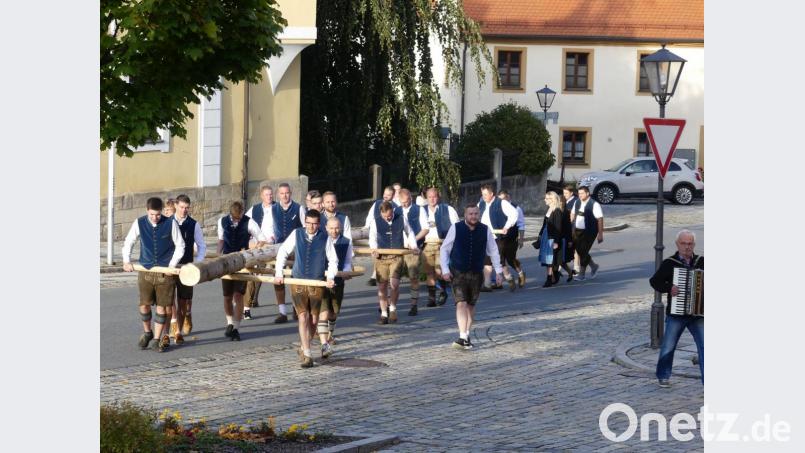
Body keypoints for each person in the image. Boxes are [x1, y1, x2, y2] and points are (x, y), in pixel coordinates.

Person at [274, 210, 338, 368]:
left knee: (314, 320)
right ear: (305, 222)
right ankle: (308, 354)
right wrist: (278, 272)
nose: (311, 226)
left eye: (315, 223)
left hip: (316, 284)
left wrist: (330, 277)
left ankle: (304, 347)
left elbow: (333, 260)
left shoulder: (325, 238)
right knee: (303, 316)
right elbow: (283, 251)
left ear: (319, 224)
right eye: (309, 223)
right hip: (298, 282)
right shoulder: (297, 234)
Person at [122, 197, 185, 352]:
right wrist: (126, 260)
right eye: (151, 215)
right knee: (144, 305)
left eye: (157, 215)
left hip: (165, 271)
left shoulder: (170, 223)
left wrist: (171, 265)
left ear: (161, 211)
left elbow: (180, 245)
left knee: (162, 307)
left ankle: (157, 339)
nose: (155, 218)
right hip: (146, 270)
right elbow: (129, 241)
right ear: (147, 211)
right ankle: (148, 332)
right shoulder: (139, 223)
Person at [440, 204, 504, 350]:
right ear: (465, 214)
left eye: (476, 214)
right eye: (470, 214)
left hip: (476, 272)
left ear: (479, 214)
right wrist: (444, 269)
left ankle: (466, 334)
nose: (473, 216)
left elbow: (493, 251)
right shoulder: (455, 228)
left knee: (470, 305)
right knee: (461, 302)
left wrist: (498, 272)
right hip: (458, 271)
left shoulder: (485, 230)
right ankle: (462, 336)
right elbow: (445, 249)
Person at [650, 229, 704, 387]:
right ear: (677, 244)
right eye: (684, 243)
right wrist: (669, 288)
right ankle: (663, 376)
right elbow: (655, 281)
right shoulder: (670, 263)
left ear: (694, 244)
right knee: (668, 345)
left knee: (705, 347)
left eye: (690, 243)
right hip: (677, 314)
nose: (687, 247)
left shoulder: (702, 262)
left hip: (698, 315)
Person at [217, 201, 267, 341]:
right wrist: (217, 256)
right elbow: (221, 240)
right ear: (230, 214)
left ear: (242, 213)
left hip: (242, 262)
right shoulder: (222, 221)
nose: (237, 221)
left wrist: (253, 250)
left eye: (239, 218)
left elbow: (262, 239)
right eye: (234, 218)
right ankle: (229, 323)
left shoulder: (250, 222)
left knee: (238, 296)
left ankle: (236, 327)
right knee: (227, 296)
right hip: (226, 262)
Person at [369, 201, 419, 324]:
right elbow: (372, 238)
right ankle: (384, 314)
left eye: (390, 215)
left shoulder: (401, 219)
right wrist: (374, 249)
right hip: (382, 258)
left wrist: (413, 246)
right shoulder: (375, 222)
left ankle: (392, 308)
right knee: (382, 286)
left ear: (392, 211)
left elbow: (410, 232)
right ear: (381, 213)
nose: (388, 217)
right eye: (386, 216)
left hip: (397, 257)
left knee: (394, 284)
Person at [168, 194, 206, 344]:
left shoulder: (193, 224)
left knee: (184, 300)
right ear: (175, 206)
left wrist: (198, 262)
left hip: (186, 267)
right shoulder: (168, 222)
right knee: (170, 298)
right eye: (182, 207)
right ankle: (174, 325)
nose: (184, 210)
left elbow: (202, 245)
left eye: (187, 208)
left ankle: (186, 316)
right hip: (171, 266)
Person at [271, 183, 307, 323]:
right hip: (279, 248)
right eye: (282, 193)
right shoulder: (273, 209)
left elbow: (305, 228)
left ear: (290, 193)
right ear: (278, 194)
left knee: (295, 279)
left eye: (287, 193)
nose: (284, 196)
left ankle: (296, 308)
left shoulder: (299, 208)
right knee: (278, 280)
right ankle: (282, 312)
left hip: (295, 249)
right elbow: (269, 228)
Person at [319, 216, 354, 353]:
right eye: (331, 228)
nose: (334, 231)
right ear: (326, 228)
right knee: (324, 311)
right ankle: (324, 342)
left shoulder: (346, 242)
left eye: (337, 228)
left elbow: (347, 261)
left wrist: (345, 272)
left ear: (340, 228)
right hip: (322, 280)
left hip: (338, 281)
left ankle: (330, 334)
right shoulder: (321, 240)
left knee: (334, 312)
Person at [243, 184, 276, 320]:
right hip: (257, 245)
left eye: (271, 194)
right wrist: (250, 240)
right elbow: (245, 223)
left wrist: (273, 238)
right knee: (253, 274)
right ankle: (247, 308)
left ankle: (254, 298)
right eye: (267, 194)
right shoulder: (255, 209)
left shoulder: (277, 208)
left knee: (263, 273)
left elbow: (279, 227)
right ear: (262, 196)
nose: (269, 197)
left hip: (272, 245)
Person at [422, 187, 459, 307]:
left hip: (442, 244)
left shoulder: (448, 209)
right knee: (429, 272)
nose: (432, 199)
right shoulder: (421, 211)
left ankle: (443, 291)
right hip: (427, 244)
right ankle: (431, 298)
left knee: (439, 271)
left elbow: (456, 226)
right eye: (430, 197)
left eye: (434, 196)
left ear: (438, 197)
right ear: (426, 198)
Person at [477, 184, 518, 291]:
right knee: (486, 261)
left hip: (498, 237)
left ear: (491, 194)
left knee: (499, 261)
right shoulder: (480, 204)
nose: (484, 196)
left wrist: (506, 226)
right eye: (482, 194)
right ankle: (487, 285)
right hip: (485, 236)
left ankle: (509, 278)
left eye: (485, 194)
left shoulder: (501, 203)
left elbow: (514, 214)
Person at [398, 188, 429, 315]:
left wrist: (413, 241)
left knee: (413, 276)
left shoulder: (419, 209)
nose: (405, 204)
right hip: (399, 248)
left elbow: (425, 229)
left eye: (407, 201)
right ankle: (390, 305)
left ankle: (414, 304)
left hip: (413, 249)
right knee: (393, 277)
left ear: (411, 198)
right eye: (402, 202)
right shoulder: (396, 211)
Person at [365, 186, 400, 286]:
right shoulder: (376, 203)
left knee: (388, 256)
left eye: (388, 195)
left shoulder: (396, 207)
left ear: (393, 196)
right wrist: (367, 226)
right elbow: (370, 215)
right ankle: (375, 274)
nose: (385, 196)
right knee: (376, 253)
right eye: (385, 194)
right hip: (378, 231)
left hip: (389, 233)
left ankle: (385, 275)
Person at [569, 186, 604, 280]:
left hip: (589, 231)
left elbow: (600, 219)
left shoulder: (594, 204)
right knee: (579, 250)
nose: (580, 195)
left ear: (587, 193)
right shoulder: (577, 202)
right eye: (579, 193)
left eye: (582, 193)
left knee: (583, 251)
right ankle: (594, 266)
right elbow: (573, 214)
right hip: (577, 231)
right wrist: (569, 226)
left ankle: (582, 274)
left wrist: (600, 234)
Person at [497, 190, 527, 287]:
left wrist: (521, 239)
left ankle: (521, 274)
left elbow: (521, 225)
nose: (502, 201)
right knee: (501, 259)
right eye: (500, 199)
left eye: (504, 199)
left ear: (508, 197)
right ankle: (509, 278)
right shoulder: (497, 208)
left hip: (511, 237)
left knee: (510, 259)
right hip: (500, 238)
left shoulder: (516, 208)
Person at [538, 192, 564, 288]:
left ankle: (550, 278)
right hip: (546, 235)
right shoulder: (549, 209)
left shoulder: (557, 211)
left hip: (552, 237)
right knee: (546, 258)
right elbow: (544, 224)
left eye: (547, 198)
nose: (545, 200)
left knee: (550, 259)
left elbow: (558, 227)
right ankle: (553, 276)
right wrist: (540, 235)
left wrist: (556, 241)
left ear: (552, 199)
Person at [558, 185, 579, 282]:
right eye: (564, 193)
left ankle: (576, 268)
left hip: (573, 227)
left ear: (571, 193)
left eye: (566, 193)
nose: (564, 195)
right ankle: (559, 269)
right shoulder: (565, 201)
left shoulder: (575, 201)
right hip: (567, 228)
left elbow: (572, 216)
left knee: (575, 249)